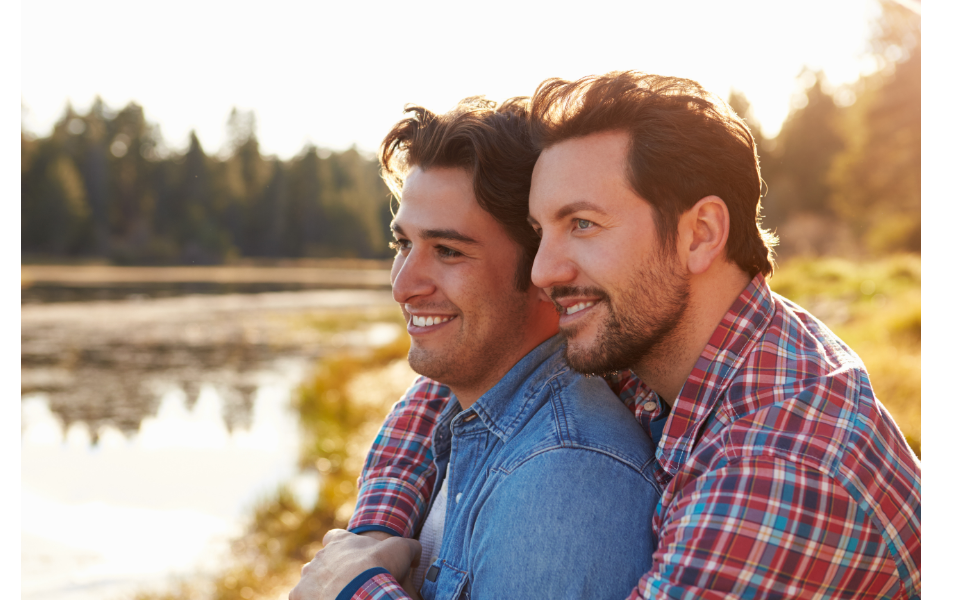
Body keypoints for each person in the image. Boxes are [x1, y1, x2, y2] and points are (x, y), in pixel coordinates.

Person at [307, 72, 922, 599]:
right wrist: (371, 539)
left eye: (582, 224)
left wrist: (352, 588)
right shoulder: (675, 344)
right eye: (541, 229)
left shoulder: (778, 466)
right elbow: (462, 389)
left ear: (700, 233)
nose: (543, 270)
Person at [289, 96, 661, 600]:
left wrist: (350, 591)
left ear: (541, 270)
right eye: (403, 245)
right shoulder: (464, 408)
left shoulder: (563, 480)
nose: (403, 286)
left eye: (447, 251)